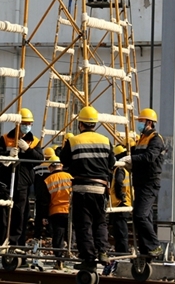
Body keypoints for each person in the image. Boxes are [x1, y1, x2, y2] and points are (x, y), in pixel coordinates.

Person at [57, 106, 116, 271]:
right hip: (100, 189)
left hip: (82, 189)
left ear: (81, 124)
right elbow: (111, 163)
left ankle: (89, 258)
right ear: (94, 124)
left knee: (84, 224)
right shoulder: (105, 141)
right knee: (100, 222)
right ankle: (103, 251)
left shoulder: (74, 141)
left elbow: (64, 160)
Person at [0, 107, 42, 245]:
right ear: (18, 124)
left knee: (20, 215)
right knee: (3, 214)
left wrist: (27, 149)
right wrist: (8, 155)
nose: (27, 126)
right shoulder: (5, 138)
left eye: (29, 124)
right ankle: (3, 241)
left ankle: (16, 242)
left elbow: (40, 159)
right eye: (25, 124)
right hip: (5, 182)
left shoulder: (34, 141)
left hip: (23, 184)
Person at [122, 107, 164, 258]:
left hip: (149, 183)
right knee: (144, 217)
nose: (139, 123)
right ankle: (146, 250)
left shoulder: (155, 139)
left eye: (141, 121)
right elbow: (136, 155)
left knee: (140, 215)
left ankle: (154, 246)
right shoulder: (141, 138)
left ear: (149, 122)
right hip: (140, 182)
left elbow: (149, 157)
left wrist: (131, 160)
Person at [43, 154, 72, 267]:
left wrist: (44, 216)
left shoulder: (48, 180)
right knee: (70, 234)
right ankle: (71, 253)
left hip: (56, 211)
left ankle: (59, 260)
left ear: (50, 167)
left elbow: (45, 201)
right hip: (69, 210)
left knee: (58, 236)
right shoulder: (70, 176)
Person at [109, 144, 132, 253]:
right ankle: (121, 251)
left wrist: (120, 196)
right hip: (125, 202)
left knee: (120, 231)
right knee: (119, 230)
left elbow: (119, 182)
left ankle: (122, 252)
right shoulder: (127, 169)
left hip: (120, 203)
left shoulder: (120, 169)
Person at [33, 147, 55, 243]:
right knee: (50, 215)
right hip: (50, 194)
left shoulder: (38, 166)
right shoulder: (52, 167)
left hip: (39, 194)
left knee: (39, 215)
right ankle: (50, 235)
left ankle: (37, 235)